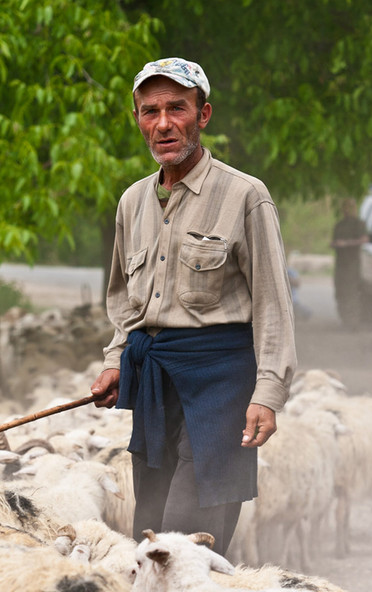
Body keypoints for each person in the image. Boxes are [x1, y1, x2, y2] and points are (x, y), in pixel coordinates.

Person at [90, 56, 296, 556]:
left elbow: (273, 301)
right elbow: (124, 302)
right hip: (155, 384)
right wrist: (117, 361)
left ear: (203, 116)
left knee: (185, 543)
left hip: (220, 386)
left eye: (176, 109)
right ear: (138, 118)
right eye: (149, 111)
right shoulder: (132, 203)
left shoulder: (245, 195)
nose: (162, 124)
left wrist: (268, 391)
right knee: (149, 532)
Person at [330, 198, 368, 329]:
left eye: (350, 207)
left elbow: (364, 239)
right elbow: (333, 242)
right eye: (345, 207)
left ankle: (353, 322)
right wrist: (336, 244)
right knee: (340, 292)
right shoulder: (339, 225)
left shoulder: (358, 224)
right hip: (341, 264)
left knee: (352, 292)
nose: (347, 210)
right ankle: (345, 320)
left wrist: (346, 244)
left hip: (352, 264)